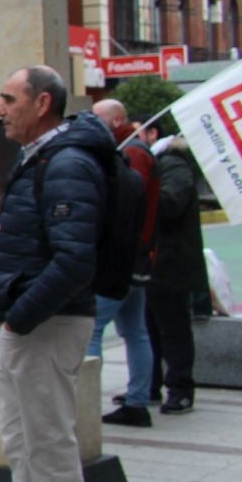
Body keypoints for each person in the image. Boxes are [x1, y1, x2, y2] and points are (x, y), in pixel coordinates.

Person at [0, 65, 112, 482]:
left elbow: (76, 258)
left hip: (47, 323)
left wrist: (21, 316)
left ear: (43, 105)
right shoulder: (44, 158)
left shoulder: (68, 163)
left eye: (10, 99)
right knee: (22, 439)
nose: (0, 109)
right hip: (32, 319)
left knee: (51, 444)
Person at [89, 99, 159, 427]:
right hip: (137, 258)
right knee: (135, 331)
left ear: (116, 121)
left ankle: (89, 403)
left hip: (122, 260)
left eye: (98, 119)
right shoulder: (132, 154)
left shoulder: (130, 156)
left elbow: (126, 209)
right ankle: (137, 398)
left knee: (94, 330)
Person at [142, 116, 202, 416]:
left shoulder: (173, 165)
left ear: (153, 134)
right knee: (149, 328)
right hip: (153, 263)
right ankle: (149, 386)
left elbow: (169, 204)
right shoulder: (155, 166)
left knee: (173, 329)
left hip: (171, 264)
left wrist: (140, 190)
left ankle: (180, 389)